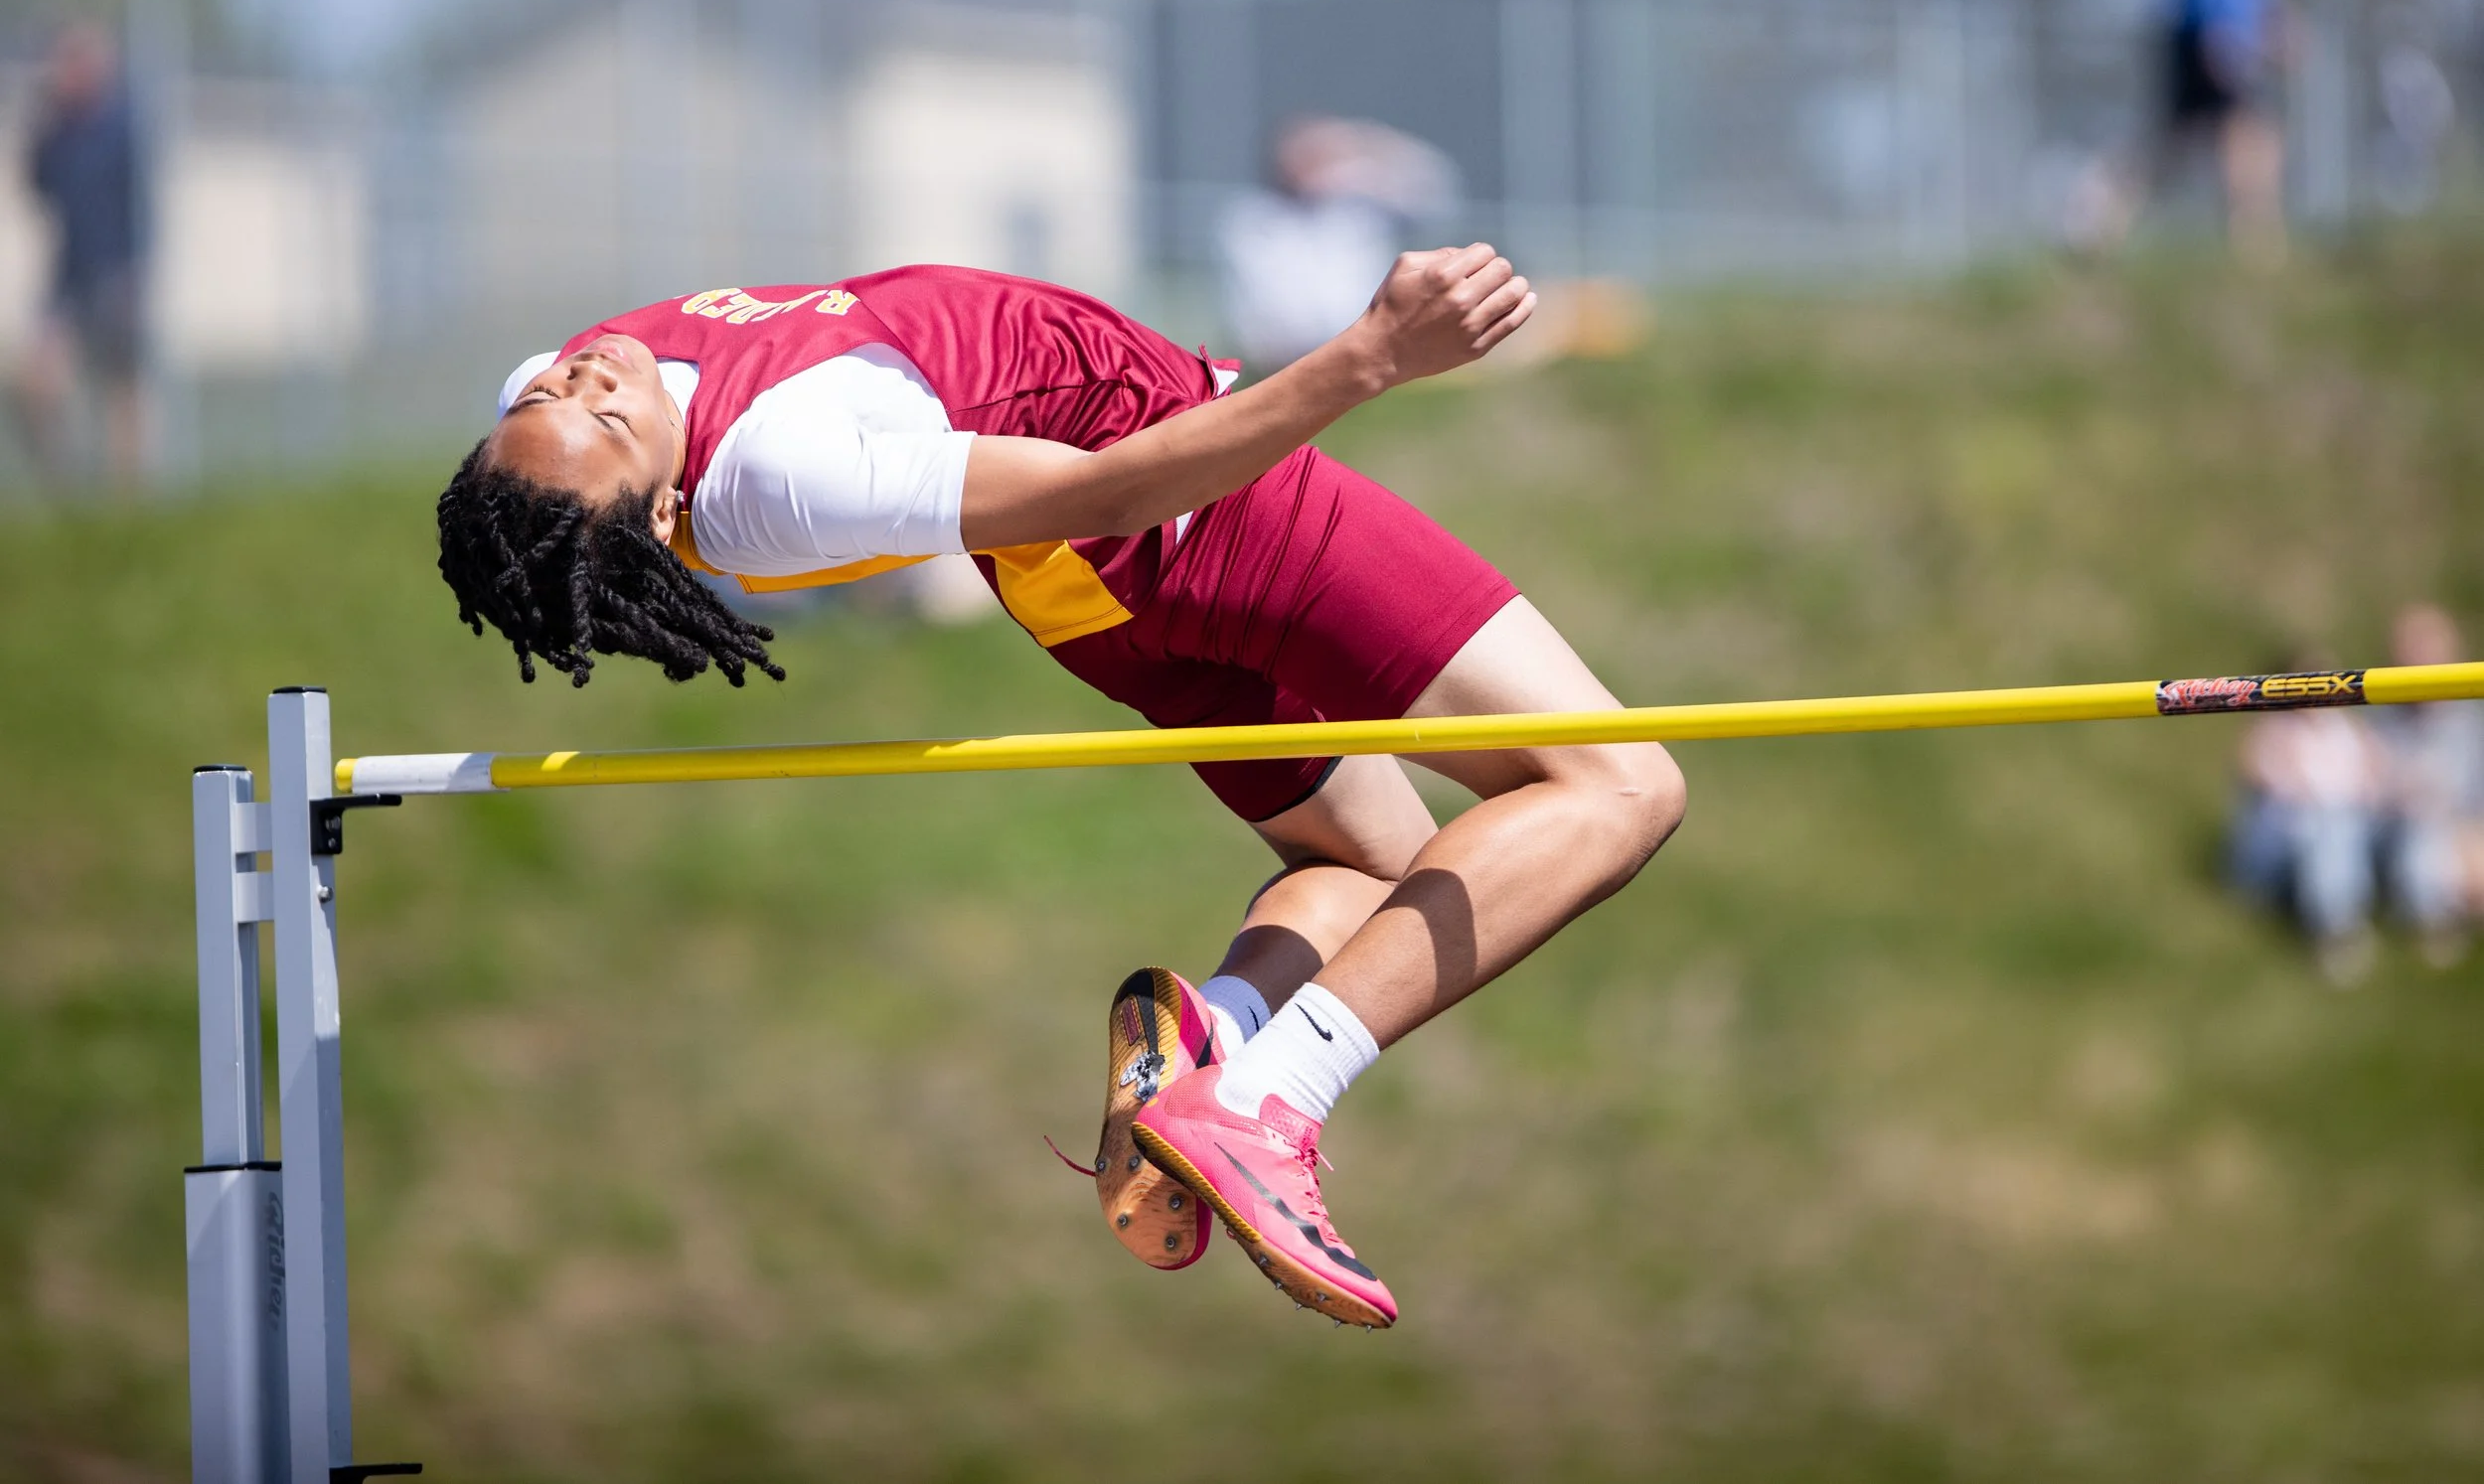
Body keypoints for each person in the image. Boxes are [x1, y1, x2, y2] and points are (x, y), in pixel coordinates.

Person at [434, 252, 1685, 1329]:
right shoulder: (786, 468)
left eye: (554, 390)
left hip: (1095, 594)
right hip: (1199, 518)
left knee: (1365, 865)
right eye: (592, 417)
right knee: (1617, 787)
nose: (584, 379)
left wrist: (552, 412)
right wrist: (1369, 355)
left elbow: (556, 442)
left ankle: (1223, 1035)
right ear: (662, 506)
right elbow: (1118, 488)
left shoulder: (540, 442)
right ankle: (1265, 1105)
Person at [2090, 0, 2294, 262]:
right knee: (2250, 132)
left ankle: (2096, 214)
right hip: (2211, 32)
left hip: (2202, 27)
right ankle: (2255, 247)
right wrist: (2223, 29)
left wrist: (2269, 17)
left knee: (2181, 136)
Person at [17, 21, 151, 485]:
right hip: (67, 276)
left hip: (116, 272)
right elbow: (35, 185)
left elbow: (143, 205)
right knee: (36, 380)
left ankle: (128, 498)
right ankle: (67, 482)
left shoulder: (122, 126)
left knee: (121, 389)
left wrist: (136, 272)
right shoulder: (59, 130)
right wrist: (46, 115)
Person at [1220, 116, 1458, 374]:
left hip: (1367, 349)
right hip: (1284, 358)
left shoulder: (1358, 210)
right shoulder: (1256, 218)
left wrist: (1372, 143)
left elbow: (1433, 195)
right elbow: (1269, 304)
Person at [2228, 681, 2383, 985]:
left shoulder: (2349, 733)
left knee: (2334, 831)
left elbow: (2376, 785)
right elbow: (2257, 774)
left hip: (2344, 836)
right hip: (2283, 848)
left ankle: (2336, 926)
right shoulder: (2272, 732)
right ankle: (2337, 927)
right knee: (2325, 831)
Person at [2370, 604, 2482, 968]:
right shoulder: (2376, 725)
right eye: (2410, 648)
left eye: (2429, 646)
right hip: (2401, 841)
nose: (2419, 658)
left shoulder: (2472, 725)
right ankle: (2432, 922)